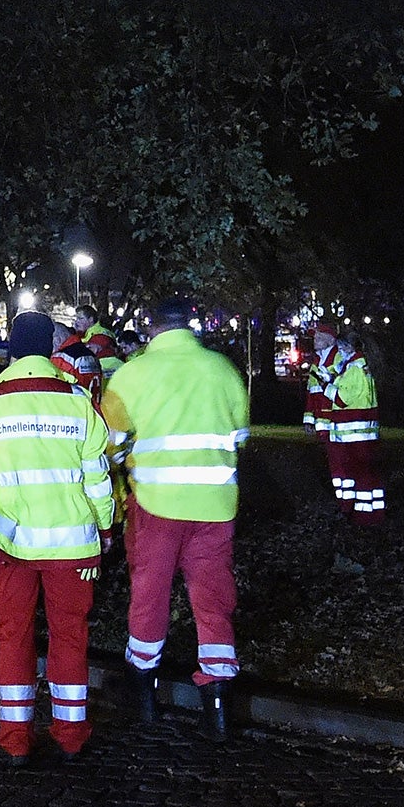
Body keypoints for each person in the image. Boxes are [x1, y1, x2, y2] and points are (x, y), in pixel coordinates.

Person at [0, 311, 114, 765]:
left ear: (13, 349)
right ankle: (70, 734)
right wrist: (104, 528)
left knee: (13, 636)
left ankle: (15, 738)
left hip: (10, 547)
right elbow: (98, 480)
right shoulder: (79, 402)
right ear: (51, 348)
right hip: (74, 546)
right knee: (70, 636)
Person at [102, 297, 250, 740]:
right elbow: (240, 435)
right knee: (213, 598)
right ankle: (218, 706)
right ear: (190, 326)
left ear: (151, 329)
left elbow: (111, 445)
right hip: (215, 505)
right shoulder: (222, 370)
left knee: (149, 594)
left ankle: (143, 697)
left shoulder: (131, 374)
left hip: (155, 504)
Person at [309, 322, 384, 534]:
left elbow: (342, 399)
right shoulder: (359, 368)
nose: (339, 352)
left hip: (354, 434)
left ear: (348, 348)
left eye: (341, 347)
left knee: (361, 476)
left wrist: (327, 387)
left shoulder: (355, 370)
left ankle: (364, 516)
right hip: (361, 433)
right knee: (366, 475)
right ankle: (368, 514)